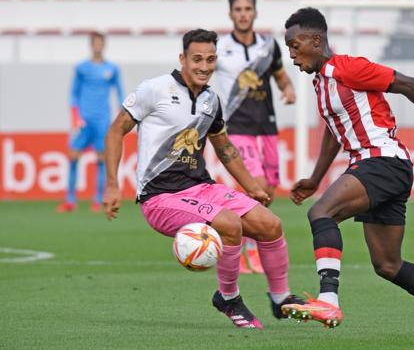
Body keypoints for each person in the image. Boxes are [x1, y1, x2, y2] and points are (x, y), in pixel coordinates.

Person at [279, 8, 414, 340]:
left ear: (316, 40)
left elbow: (411, 85)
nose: (291, 54)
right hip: (382, 167)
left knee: (321, 213)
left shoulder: (348, 68)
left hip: (382, 161)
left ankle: (328, 300)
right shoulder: (323, 82)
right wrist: (317, 177)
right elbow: (336, 130)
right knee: (388, 265)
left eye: (294, 45)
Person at [103, 29, 303, 329]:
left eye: (210, 60)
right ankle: (229, 297)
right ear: (182, 58)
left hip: (202, 188)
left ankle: (281, 298)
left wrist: (253, 189)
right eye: (197, 59)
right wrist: (112, 185)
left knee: (270, 224)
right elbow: (115, 131)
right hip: (159, 198)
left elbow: (225, 149)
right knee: (230, 225)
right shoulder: (154, 89)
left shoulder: (212, 100)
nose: (204, 66)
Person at [215, 0, 296, 274]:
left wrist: (288, 89)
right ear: (231, 14)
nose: (243, 14)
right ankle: (249, 249)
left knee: (269, 191)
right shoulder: (220, 48)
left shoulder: (268, 46)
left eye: (247, 9)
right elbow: (199, 74)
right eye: (238, 10)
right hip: (236, 127)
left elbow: (279, 75)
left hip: (268, 127)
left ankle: (249, 241)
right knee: (256, 185)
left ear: (255, 13)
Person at [57, 31, 124, 213]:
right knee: (72, 157)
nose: (97, 46)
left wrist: (121, 113)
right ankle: (70, 200)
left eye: (100, 43)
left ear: (104, 45)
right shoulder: (81, 68)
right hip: (83, 120)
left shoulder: (112, 69)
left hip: (102, 119)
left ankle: (97, 199)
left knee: (102, 159)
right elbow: (74, 94)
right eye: (94, 43)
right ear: (91, 45)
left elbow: (119, 93)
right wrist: (75, 117)